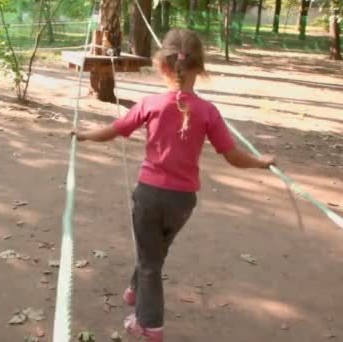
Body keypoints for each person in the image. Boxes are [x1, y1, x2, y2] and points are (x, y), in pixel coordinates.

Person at [72, 29, 276, 342]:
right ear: (201, 67)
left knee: (151, 260)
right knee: (154, 252)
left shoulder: (151, 103)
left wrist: (85, 134)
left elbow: (115, 129)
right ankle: (134, 291)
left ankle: (149, 325)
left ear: (162, 66)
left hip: (150, 197)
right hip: (183, 203)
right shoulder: (208, 111)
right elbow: (232, 156)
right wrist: (260, 162)